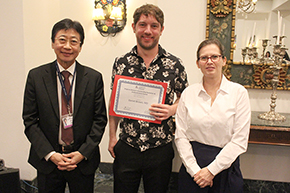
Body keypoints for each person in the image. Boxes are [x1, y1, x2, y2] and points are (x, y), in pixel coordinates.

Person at [108, 4, 188, 193]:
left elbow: (185, 98)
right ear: (134, 27)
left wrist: (172, 109)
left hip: (160, 148)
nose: (148, 31)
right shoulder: (121, 63)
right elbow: (114, 102)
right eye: (143, 25)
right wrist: (112, 137)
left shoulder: (175, 64)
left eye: (154, 26)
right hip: (128, 145)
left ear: (161, 29)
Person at [22, 18, 107, 193]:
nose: (67, 46)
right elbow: (30, 121)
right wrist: (51, 155)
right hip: (48, 160)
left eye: (74, 41)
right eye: (62, 40)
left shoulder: (93, 78)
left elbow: (99, 120)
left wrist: (82, 153)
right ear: (53, 43)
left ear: (80, 47)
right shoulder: (36, 77)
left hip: (82, 161)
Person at [175, 39, 251, 193]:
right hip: (193, 170)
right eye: (204, 58)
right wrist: (196, 171)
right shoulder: (188, 94)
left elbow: (239, 141)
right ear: (198, 63)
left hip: (226, 169)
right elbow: (180, 136)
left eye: (214, 57)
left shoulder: (239, 93)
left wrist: (210, 171)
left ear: (223, 61)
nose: (209, 62)